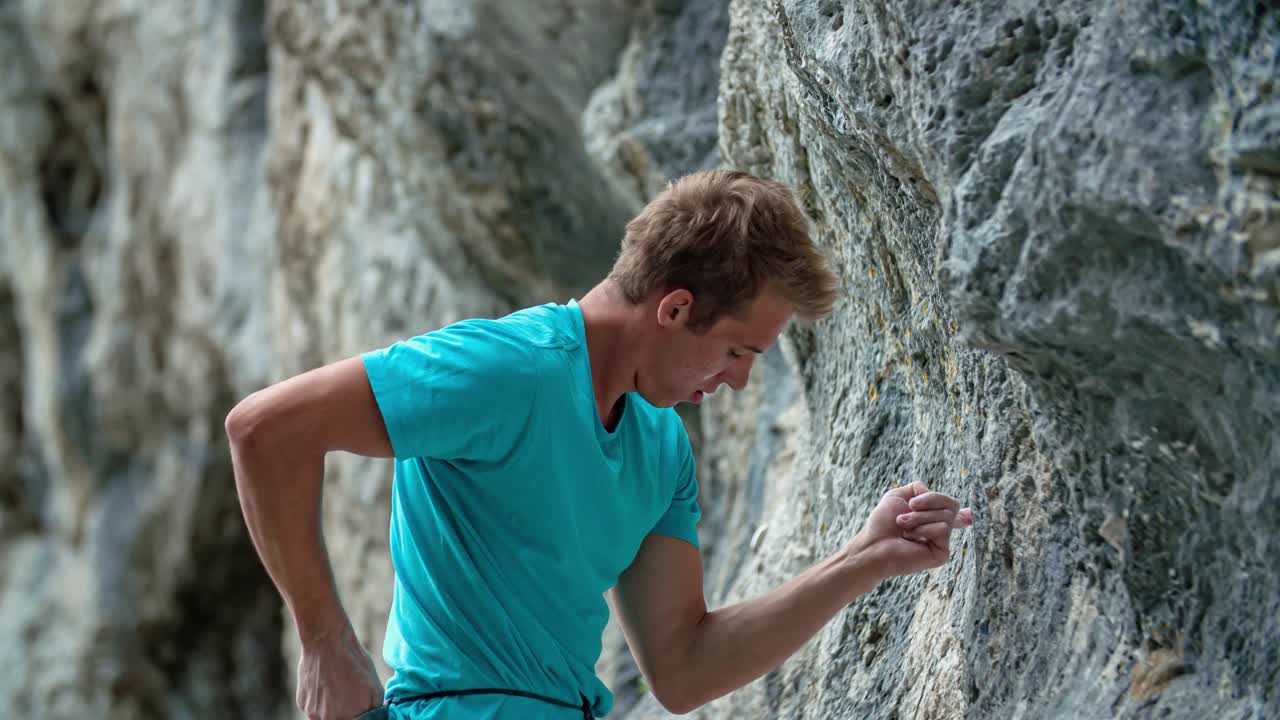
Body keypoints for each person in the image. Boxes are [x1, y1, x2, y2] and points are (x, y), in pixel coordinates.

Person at [227, 169, 974, 720]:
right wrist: (325, 640)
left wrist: (864, 559)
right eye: (739, 352)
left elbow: (683, 668)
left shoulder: (661, 447)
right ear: (677, 307)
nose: (740, 383)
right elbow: (265, 429)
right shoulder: (506, 368)